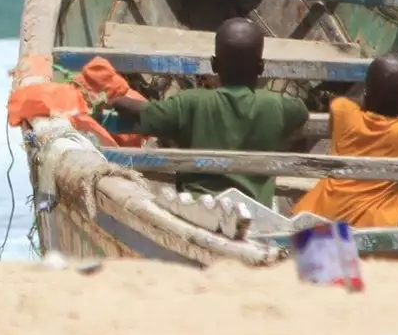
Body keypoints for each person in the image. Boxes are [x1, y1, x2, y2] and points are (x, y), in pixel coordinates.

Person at [109, 17, 309, 206]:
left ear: (214, 65)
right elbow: (301, 112)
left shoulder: (190, 102)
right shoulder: (278, 106)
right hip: (255, 212)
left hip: (198, 208)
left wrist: (113, 99)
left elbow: (143, 112)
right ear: (261, 67)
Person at [291, 54, 398, 258]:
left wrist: (373, 97)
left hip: (319, 216)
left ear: (367, 92)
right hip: (374, 233)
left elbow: (347, 102)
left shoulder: (344, 112)